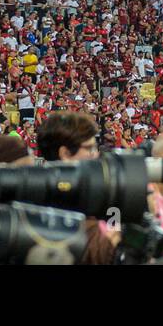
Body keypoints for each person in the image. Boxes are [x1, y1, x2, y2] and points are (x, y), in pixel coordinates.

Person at [35, 111, 116, 264]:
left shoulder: (92, 192)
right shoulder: (51, 202)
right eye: (89, 148)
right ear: (65, 153)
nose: (95, 154)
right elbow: (102, 254)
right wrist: (118, 230)